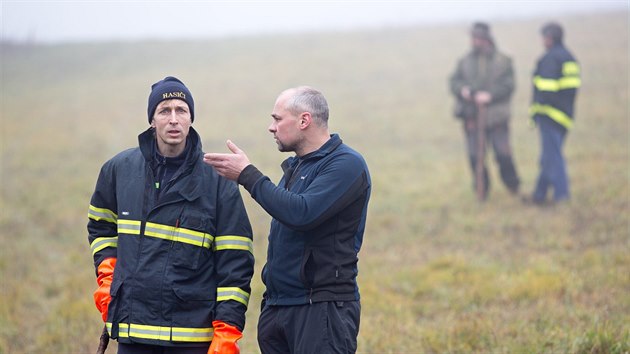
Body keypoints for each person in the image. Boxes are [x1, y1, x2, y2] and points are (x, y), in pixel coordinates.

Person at [87, 76, 254, 354]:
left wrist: (227, 332)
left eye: (182, 110)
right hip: (133, 332)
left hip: (192, 338)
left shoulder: (218, 182)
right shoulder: (118, 170)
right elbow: (101, 227)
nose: (174, 119)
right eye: (165, 111)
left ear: (191, 119)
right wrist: (108, 278)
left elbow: (235, 264)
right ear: (152, 120)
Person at [204, 86, 371, 354]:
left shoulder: (347, 165)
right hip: (280, 308)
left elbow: (301, 213)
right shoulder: (298, 166)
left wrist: (247, 175)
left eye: (277, 119)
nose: (271, 127)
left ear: (304, 120)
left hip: (321, 310)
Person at [449, 22, 520, 200]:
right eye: (472, 37)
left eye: (477, 38)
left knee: (503, 154)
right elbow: (454, 82)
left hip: (496, 117)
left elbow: (509, 85)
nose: (474, 41)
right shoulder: (464, 61)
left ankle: (513, 186)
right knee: (475, 157)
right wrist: (464, 91)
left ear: (486, 38)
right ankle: (482, 191)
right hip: (472, 117)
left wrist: (490, 96)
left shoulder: (503, 61)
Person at [525, 22, 580, 205]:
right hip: (566, 115)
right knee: (548, 157)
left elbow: (545, 91)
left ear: (550, 38)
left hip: (550, 115)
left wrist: (537, 109)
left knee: (553, 157)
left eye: (544, 37)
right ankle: (539, 195)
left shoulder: (550, 59)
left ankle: (561, 196)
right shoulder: (570, 58)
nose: (542, 41)